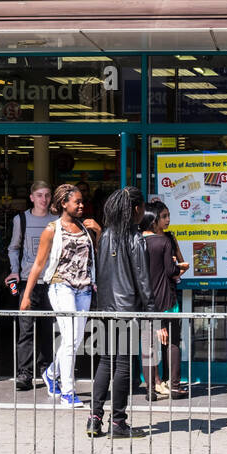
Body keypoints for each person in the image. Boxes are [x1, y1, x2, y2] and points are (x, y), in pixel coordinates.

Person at [23, 184, 101, 408]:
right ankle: (68, 391)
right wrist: (27, 295)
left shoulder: (84, 227)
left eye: (81, 201)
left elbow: (96, 254)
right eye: (76, 201)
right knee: (68, 340)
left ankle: (51, 372)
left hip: (84, 287)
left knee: (75, 341)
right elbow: (38, 264)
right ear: (63, 203)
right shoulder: (52, 229)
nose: (81, 205)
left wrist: (99, 230)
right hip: (61, 286)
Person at [87, 186, 154, 439]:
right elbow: (143, 280)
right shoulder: (135, 238)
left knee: (106, 361)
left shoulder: (105, 236)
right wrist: (151, 312)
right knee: (124, 364)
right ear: (136, 209)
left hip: (105, 307)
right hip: (126, 310)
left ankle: (94, 418)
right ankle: (118, 422)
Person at [7, 180, 54, 390]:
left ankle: (46, 371)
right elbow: (13, 247)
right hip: (28, 282)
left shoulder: (56, 220)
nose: (44, 199)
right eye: (40, 195)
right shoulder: (21, 220)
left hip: (51, 282)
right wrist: (14, 270)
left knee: (47, 330)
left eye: (47, 195)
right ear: (32, 197)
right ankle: (24, 374)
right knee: (26, 329)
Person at [141, 199, 187, 399]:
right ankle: (174, 386)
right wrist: (181, 268)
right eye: (164, 216)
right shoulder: (164, 242)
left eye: (168, 216)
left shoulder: (138, 241)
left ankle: (151, 388)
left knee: (148, 344)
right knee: (173, 342)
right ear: (153, 219)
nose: (168, 220)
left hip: (145, 300)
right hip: (166, 299)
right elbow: (172, 270)